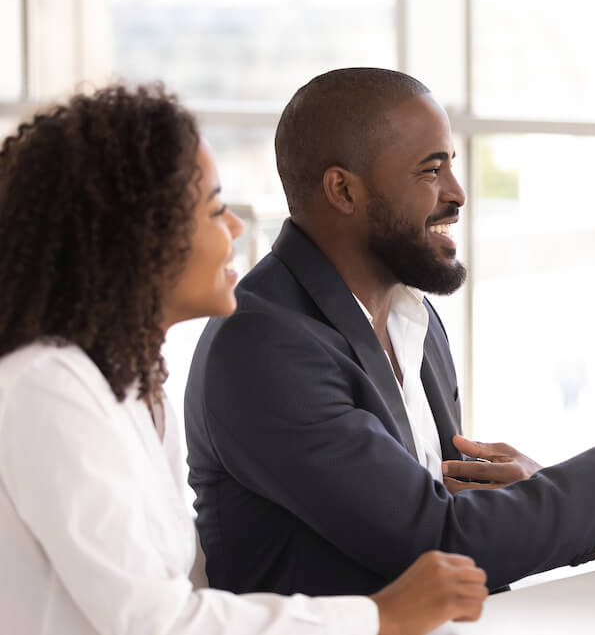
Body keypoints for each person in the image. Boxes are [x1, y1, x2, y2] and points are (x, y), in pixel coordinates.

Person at [184, 68, 595, 597]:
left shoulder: (411, 317)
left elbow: (446, 512)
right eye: (430, 170)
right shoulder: (264, 345)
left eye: (452, 166)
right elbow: (436, 541)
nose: (458, 193)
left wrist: (543, 485)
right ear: (343, 190)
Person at [0, 84, 490, 635]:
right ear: (131, 238)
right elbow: (155, 622)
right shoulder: (47, 389)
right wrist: (382, 616)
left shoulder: (132, 386)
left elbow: (175, 585)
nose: (234, 228)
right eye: (212, 209)